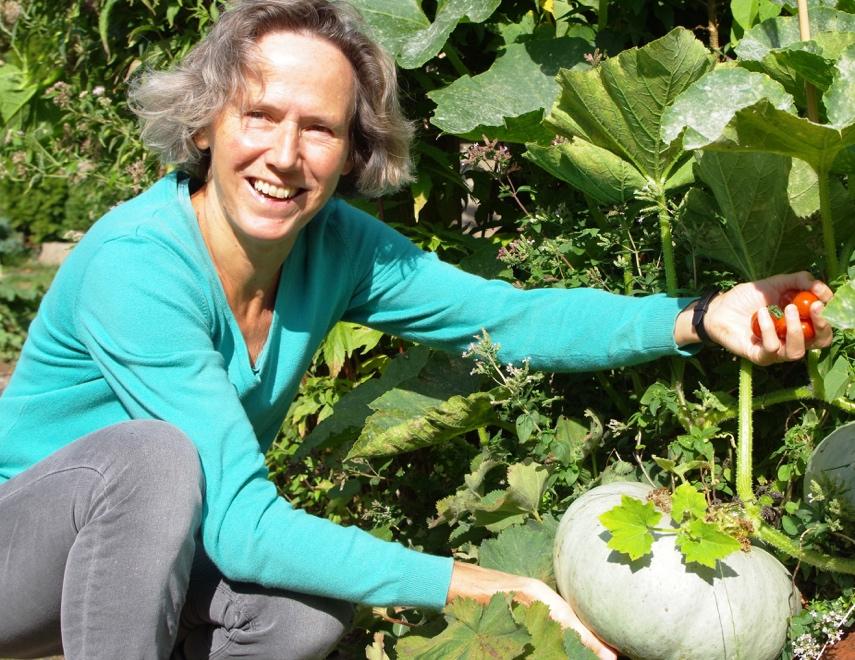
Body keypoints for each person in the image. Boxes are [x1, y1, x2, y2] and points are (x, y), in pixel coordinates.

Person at [0, 1, 834, 658]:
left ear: (353, 149)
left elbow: (508, 318)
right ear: (205, 125)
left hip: (148, 564)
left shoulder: (334, 247)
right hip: (20, 563)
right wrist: (479, 583)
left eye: (320, 128)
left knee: (299, 621)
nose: (285, 155)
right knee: (153, 456)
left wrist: (693, 316)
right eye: (259, 115)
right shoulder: (138, 265)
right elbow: (243, 526)